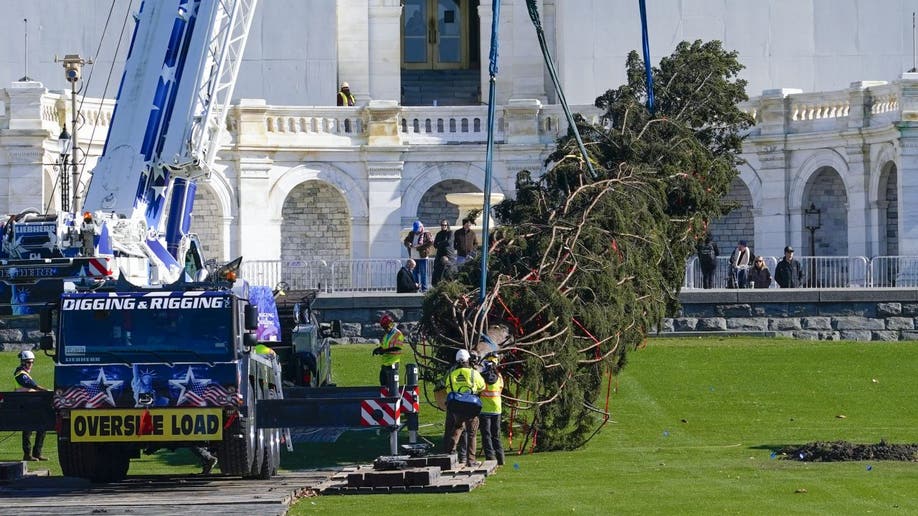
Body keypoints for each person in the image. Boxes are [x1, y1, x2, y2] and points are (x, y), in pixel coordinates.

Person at [442, 349, 485, 467]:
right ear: (468, 360)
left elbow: (448, 389)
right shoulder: (473, 373)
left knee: (457, 426)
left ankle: (450, 451)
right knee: (472, 433)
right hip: (471, 406)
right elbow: (482, 386)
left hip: (456, 406)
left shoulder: (451, 375)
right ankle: (471, 460)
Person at [13, 350, 49, 461]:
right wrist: (45, 390)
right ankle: (27, 454)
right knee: (28, 429)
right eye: (28, 362)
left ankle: (37, 453)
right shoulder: (20, 374)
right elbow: (31, 385)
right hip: (25, 405)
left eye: (32, 362)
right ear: (23, 362)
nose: (30, 365)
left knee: (42, 427)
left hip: (31, 405)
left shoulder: (25, 374)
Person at [478, 353, 505, 465]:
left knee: (486, 435)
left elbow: (478, 389)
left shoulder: (482, 377)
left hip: (484, 409)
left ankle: (490, 458)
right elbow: (501, 390)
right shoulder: (499, 377)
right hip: (496, 409)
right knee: (496, 435)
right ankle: (501, 458)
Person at [373, 313, 404, 386]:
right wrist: (377, 349)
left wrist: (384, 351)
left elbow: (398, 348)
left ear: (390, 324)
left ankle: (393, 397)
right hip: (385, 364)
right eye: (383, 327)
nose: (384, 329)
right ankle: (384, 397)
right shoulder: (386, 335)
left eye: (385, 327)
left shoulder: (398, 334)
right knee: (383, 384)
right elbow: (383, 346)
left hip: (393, 363)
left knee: (392, 386)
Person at [404, 220, 433, 291]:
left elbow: (430, 242)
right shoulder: (411, 233)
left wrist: (419, 247)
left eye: (417, 230)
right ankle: (416, 287)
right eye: (415, 230)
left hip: (422, 257)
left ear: (421, 227)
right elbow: (405, 241)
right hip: (413, 257)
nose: (416, 232)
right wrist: (409, 244)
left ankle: (424, 288)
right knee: (414, 273)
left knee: (423, 273)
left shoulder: (426, 233)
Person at [431, 219, 453, 285]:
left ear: (447, 225)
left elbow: (448, 242)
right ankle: (436, 284)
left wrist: (439, 243)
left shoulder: (450, 233)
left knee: (448, 270)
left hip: (448, 254)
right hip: (440, 254)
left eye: (445, 225)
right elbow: (435, 244)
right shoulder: (439, 234)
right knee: (437, 270)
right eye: (442, 225)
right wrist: (441, 243)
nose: (443, 226)